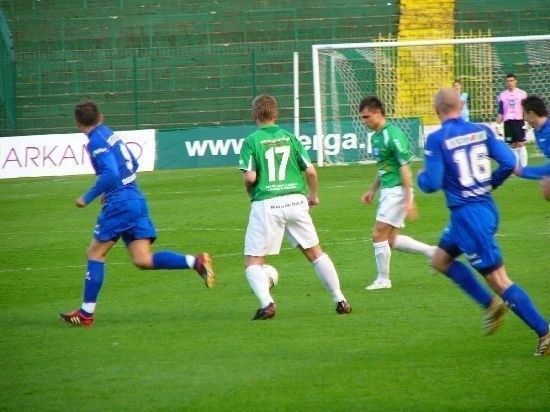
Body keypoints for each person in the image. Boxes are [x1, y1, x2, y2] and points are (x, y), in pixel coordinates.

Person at [417, 88, 549, 356]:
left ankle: (544, 331)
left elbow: (430, 184)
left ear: (436, 110)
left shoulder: (437, 139)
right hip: (483, 209)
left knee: (499, 280)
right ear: (460, 106)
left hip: (468, 217)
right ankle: (490, 305)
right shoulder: (481, 130)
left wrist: (420, 176)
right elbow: (508, 161)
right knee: (440, 260)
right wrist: (491, 183)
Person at [60, 100, 215, 326]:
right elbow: (131, 162)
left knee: (95, 254)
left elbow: (111, 173)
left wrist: (88, 197)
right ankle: (196, 262)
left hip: (120, 205)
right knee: (143, 260)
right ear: (100, 117)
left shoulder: (95, 142)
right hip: (136, 199)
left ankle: (86, 314)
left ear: (77, 123)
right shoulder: (109, 134)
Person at [239, 94, 351, 320]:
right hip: (295, 201)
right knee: (315, 253)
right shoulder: (290, 137)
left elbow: (250, 178)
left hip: (267, 203)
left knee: (254, 261)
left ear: (254, 115)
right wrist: (313, 196)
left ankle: (267, 303)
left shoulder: (251, 141)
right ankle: (340, 298)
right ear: (276, 114)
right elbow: (310, 171)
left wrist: (251, 193)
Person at [359, 96, 435, 291]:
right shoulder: (376, 136)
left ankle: (383, 280)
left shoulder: (392, 135)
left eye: (366, 116)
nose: (364, 121)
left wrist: (409, 199)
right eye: (362, 117)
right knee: (390, 240)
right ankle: (431, 252)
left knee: (377, 234)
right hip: (388, 191)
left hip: (397, 192)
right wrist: (372, 190)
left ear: (377, 113)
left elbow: (405, 167)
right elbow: (384, 167)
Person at [514, 95, 550, 198]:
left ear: (531, 114)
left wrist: (522, 171)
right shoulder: (538, 131)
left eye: (524, 114)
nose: (523, 117)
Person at [496, 73, 528, 167]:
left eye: (511, 81)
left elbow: (526, 110)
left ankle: (524, 167)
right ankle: (516, 168)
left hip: (519, 121)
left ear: (515, 81)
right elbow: (501, 112)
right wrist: (497, 125)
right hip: (508, 123)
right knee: (512, 145)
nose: (510, 83)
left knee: (521, 143)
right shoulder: (502, 95)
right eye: (508, 81)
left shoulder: (522, 94)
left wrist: (528, 123)